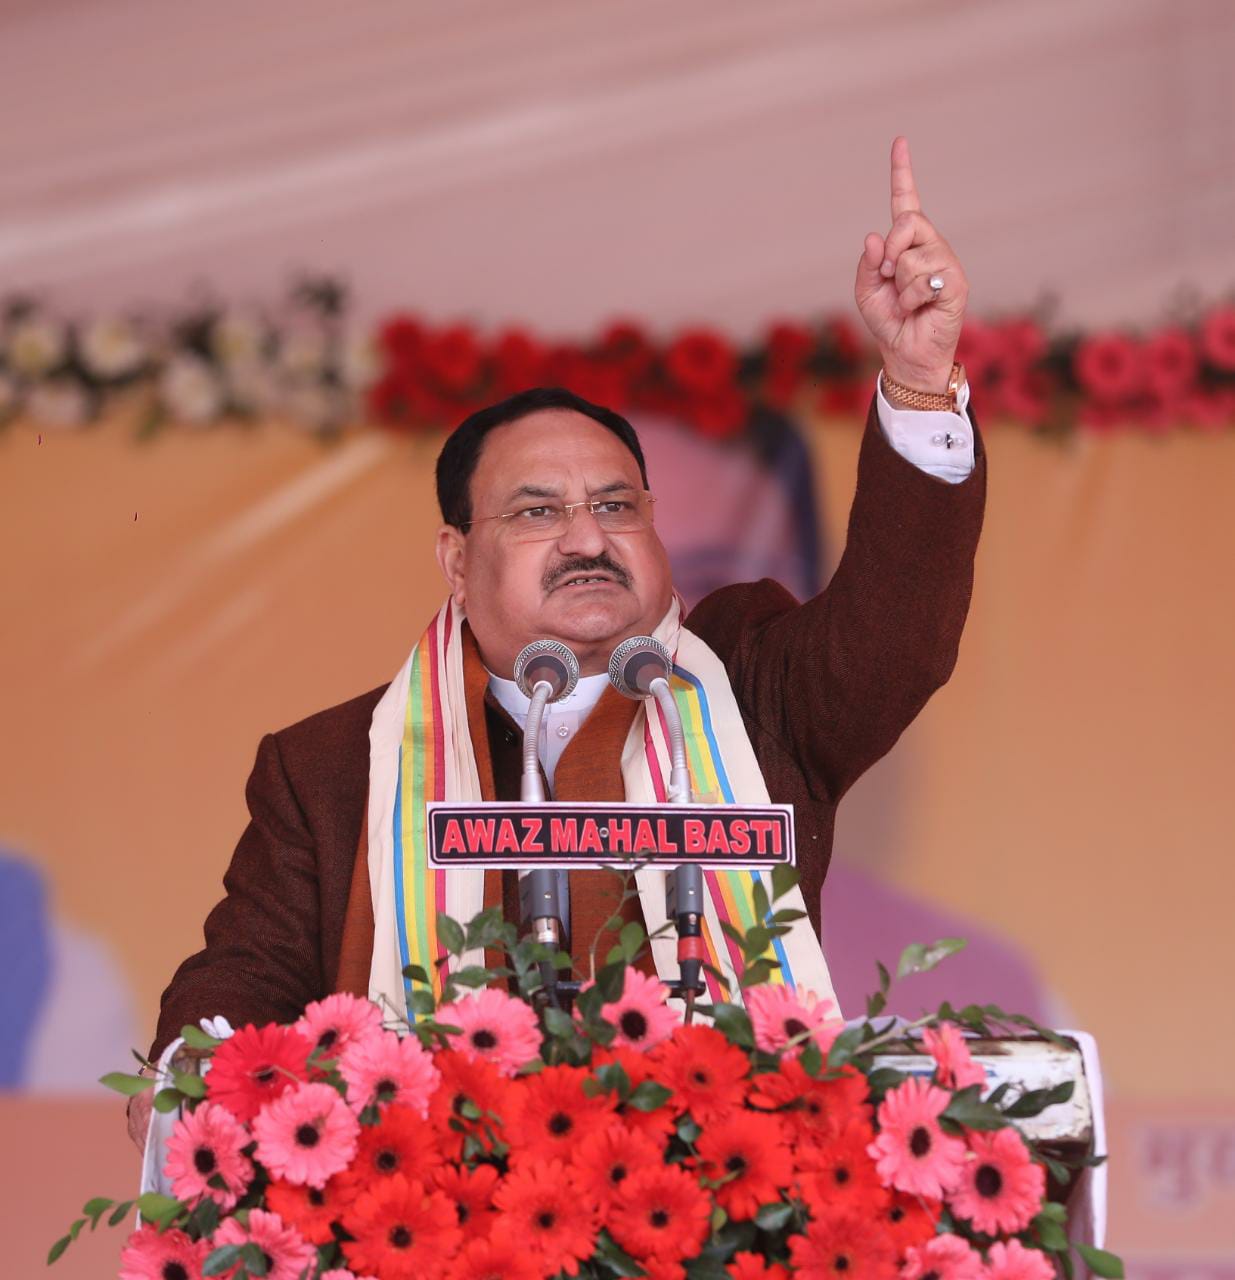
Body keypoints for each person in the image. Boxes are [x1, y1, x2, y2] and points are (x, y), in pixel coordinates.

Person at [131, 137, 985, 1145]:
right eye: (536, 512)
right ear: (455, 559)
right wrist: (200, 1066)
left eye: (616, 505)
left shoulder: (756, 695)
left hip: (723, 1202)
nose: (586, 536)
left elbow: (896, 637)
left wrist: (919, 380)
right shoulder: (330, 766)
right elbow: (241, 984)